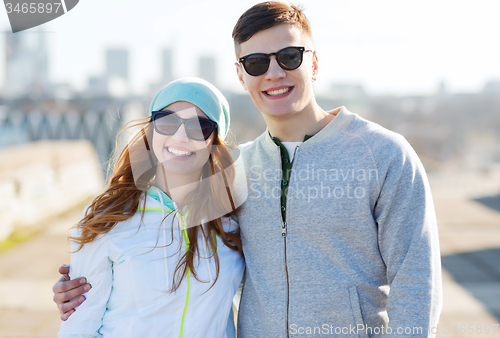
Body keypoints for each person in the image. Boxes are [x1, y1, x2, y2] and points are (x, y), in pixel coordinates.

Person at [54, 2, 442, 337]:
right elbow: (161, 241)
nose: (273, 73)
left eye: (289, 56)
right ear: (241, 75)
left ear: (315, 62)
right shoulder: (233, 175)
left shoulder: (384, 155)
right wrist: (81, 286)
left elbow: (416, 282)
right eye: (256, 63)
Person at [57, 77, 245, 338]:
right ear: (151, 129)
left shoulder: (232, 223)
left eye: (198, 127)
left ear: (214, 141)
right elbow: (79, 327)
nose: (180, 136)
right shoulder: (107, 217)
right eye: (166, 121)